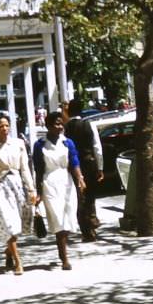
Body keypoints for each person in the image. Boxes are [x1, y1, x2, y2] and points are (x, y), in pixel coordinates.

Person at [0, 114, 36, 276]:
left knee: (18, 224)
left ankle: (9, 252)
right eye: (1, 126)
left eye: (7, 125)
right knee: (9, 222)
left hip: (16, 186)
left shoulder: (19, 144)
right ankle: (18, 262)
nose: (4, 129)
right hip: (0, 188)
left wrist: (31, 188)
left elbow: (25, 168)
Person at [33, 111, 86, 270]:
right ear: (48, 125)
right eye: (56, 124)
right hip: (49, 182)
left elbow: (74, 162)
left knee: (67, 218)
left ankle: (62, 248)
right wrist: (39, 192)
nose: (60, 126)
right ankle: (64, 258)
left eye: (61, 123)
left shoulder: (67, 142)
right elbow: (38, 169)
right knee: (57, 219)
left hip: (66, 181)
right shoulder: (40, 145)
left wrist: (80, 179)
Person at [65, 98, 104, 242]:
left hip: (74, 166)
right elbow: (97, 147)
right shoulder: (89, 124)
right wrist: (100, 167)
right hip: (89, 163)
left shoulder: (66, 127)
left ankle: (86, 229)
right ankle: (92, 223)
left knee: (78, 196)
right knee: (90, 195)